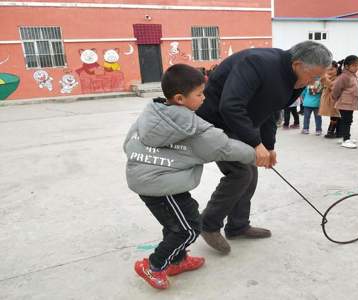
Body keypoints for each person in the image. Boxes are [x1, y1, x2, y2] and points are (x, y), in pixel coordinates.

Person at [123, 64, 256, 289]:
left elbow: (128, 144)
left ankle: (177, 260)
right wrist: (256, 154)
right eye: (199, 94)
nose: (204, 98)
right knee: (189, 229)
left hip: (153, 181)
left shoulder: (152, 114)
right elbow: (223, 147)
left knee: (175, 223)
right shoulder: (191, 126)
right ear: (180, 98)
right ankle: (153, 265)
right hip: (160, 185)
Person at [196, 41, 332, 254]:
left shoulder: (295, 82)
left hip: (240, 123)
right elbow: (230, 105)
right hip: (215, 122)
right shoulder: (258, 63)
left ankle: (238, 225)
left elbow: (271, 110)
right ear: (297, 64)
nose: (315, 82)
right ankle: (208, 224)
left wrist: (268, 146)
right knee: (240, 173)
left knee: (251, 173)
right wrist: (255, 142)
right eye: (314, 76)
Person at [332, 55, 358, 149]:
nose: (357, 67)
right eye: (355, 65)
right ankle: (346, 139)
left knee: (347, 120)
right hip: (345, 103)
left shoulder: (351, 75)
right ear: (347, 66)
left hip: (349, 103)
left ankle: (344, 137)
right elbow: (336, 89)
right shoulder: (344, 76)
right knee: (346, 121)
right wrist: (335, 98)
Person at [319, 61, 341, 138]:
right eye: (327, 70)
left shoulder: (339, 78)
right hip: (329, 99)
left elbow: (333, 86)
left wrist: (325, 79)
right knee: (334, 115)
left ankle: (332, 131)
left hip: (336, 99)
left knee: (336, 115)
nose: (329, 72)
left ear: (337, 68)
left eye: (331, 69)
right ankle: (334, 131)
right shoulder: (327, 77)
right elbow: (322, 85)